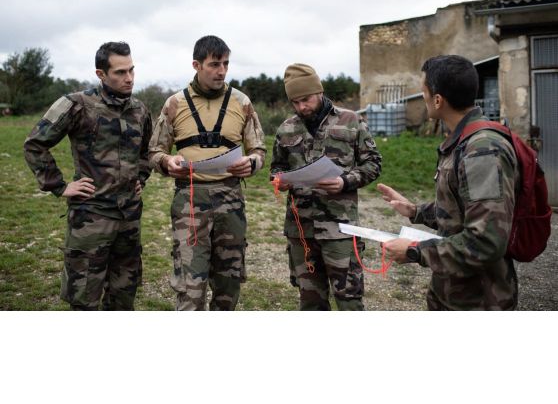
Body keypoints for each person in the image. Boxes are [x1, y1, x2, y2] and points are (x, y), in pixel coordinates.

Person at [380, 55, 520, 310]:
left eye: (423, 92)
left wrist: (415, 251)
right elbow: (463, 209)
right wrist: (414, 211)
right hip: (453, 293)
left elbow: (486, 242)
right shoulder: (463, 142)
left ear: (437, 100)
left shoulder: (482, 151)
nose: (422, 99)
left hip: (479, 300)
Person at [24, 42, 152, 310]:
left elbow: (146, 151)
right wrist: (59, 185)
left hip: (129, 219)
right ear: (101, 74)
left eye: (131, 70)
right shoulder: (77, 105)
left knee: (123, 298)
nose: (128, 78)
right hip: (91, 219)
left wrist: (140, 178)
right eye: (119, 72)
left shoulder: (139, 110)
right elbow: (35, 144)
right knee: (84, 301)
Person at [148, 35, 266, 311]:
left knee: (229, 284)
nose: (222, 70)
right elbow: (154, 151)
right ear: (196, 65)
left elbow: (259, 150)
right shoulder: (174, 104)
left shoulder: (242, 102)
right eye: (214, 64)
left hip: (231, 200)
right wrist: (167, 161)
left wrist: (251, 163)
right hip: (190, 200)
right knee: (191, 288)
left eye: (225, 63)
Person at [271, 63, 382, 310]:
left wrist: (345, 181)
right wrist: (279, 181)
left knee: (349, 301)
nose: (302, 107)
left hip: (339, 229)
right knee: (311, 302)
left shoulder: (352, 121)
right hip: (301, 231)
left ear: (319, 91)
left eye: (306, 99)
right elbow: (275, 169)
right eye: (295, 102)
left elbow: (373, 163)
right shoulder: (286, 129)